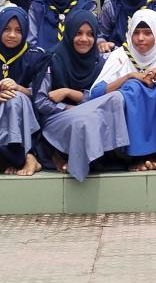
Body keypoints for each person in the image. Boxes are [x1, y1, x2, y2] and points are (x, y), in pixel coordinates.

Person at [34, 9, 130, 181]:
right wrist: (68, 108)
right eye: (78, 33)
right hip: (56, 117)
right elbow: (40, 101)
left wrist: (69, 92)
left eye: (90, 34)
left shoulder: (98, 62)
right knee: (86, 118)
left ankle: (118, 155)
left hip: (88, 110)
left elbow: (96, 96)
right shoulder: (53, 59)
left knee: (116, 98)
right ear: (69, 33)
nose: (84, 39)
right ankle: (76, 161)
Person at [92, 8, 156, 171]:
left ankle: (155, 154)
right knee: (133, 87)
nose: (140, 38)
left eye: (147, 33)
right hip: (122, 129)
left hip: (155, 120)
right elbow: (96, 93)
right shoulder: (120, 56)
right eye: (136, 33)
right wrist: (129, 76)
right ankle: (134, 156)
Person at [0, 6, 47, 176]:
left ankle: (28, 156)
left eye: (18, 30)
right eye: (7, 29)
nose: (12, 35)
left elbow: (41, 93)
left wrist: (18, 88)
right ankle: (2, 161)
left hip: (24, 109)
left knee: (14, 100)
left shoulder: (35, 55)